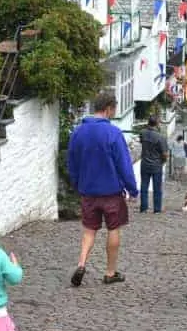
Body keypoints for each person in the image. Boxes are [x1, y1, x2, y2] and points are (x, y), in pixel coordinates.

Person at [66, 91, 139, 287]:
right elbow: (124, 164)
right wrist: (132, 189)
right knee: (113, 229)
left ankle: (81, 264)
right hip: (111, 192)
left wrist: (77, 184)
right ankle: (110, 272)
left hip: (88, 190)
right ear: (108, 109)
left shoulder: (78, 132)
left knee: (89, 230)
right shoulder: (113, 133)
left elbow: (71, 162)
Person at [138, 114, 168, 213]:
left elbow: (142, 142)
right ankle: (157, 209)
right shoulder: (161, 137)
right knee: (157, 188)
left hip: (145, 163)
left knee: (144, 186)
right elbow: (164, 154)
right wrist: (163, 162)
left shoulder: (142, 133)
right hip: (156, 164)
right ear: (157, 124)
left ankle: (144, 207)